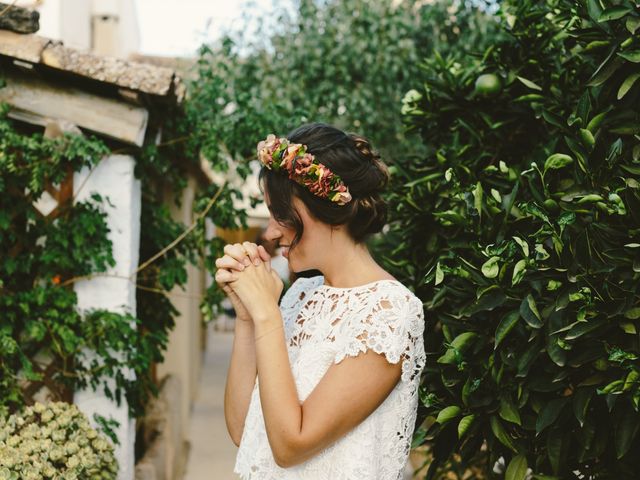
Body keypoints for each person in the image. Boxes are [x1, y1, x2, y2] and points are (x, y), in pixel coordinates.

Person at [214, 123, 425, 479]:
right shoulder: (301, 296)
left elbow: (290, 445)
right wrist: (247, 315)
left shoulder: (387, 313)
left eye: (281, 213)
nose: (271, 232)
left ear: (326, 207)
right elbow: (241, 429)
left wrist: (267, 313)